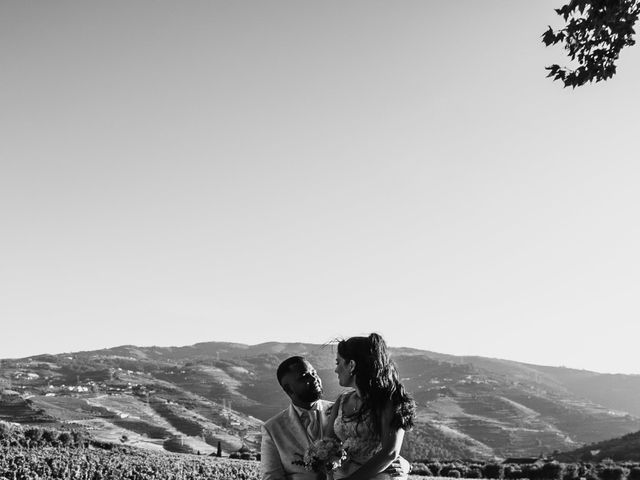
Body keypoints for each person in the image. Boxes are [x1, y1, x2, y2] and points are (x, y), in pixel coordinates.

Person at [261, 356, 409, 480]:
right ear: (289, 389)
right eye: (305, 377)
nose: (315, 379)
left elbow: (379, 446)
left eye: (314, 372)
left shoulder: (345, 410)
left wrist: (404, 464)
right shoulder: (272, 429)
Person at [326, 333, 415, 480]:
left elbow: (390, 452)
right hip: (343, 472)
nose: (336, 370)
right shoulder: (342, 401)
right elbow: (328, 443)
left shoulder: (388, 401)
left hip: (378, 474)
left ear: (352, 365)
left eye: (338, 363)